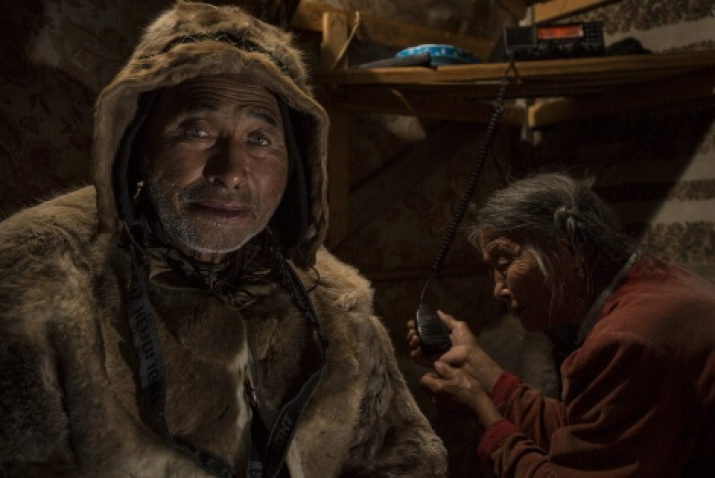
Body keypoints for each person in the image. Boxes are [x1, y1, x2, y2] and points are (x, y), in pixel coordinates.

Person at [0, 2, 448, 477]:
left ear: (294, 163)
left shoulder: (337, 305)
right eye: (197, 130)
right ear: (136, 141)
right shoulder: (39, 277)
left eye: (260, 139)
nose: (231, 172)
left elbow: (407, 460)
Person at [407, 172, 715, 476]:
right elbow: (590, 432)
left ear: (568, 247)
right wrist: (481, 369)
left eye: (504, 264)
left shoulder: (623, 340)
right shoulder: (655, 281)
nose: (497, 289)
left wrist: (482, 411)